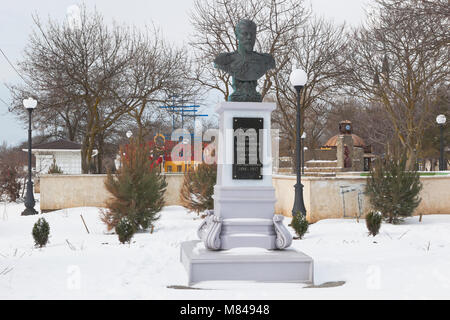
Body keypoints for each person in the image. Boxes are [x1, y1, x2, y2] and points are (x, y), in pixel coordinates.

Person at [214, 19, 275, 102]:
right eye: (245, 34)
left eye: (252, 34)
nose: (249, 37)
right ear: (237, 35)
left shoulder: (266, 60)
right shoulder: (224, 60)